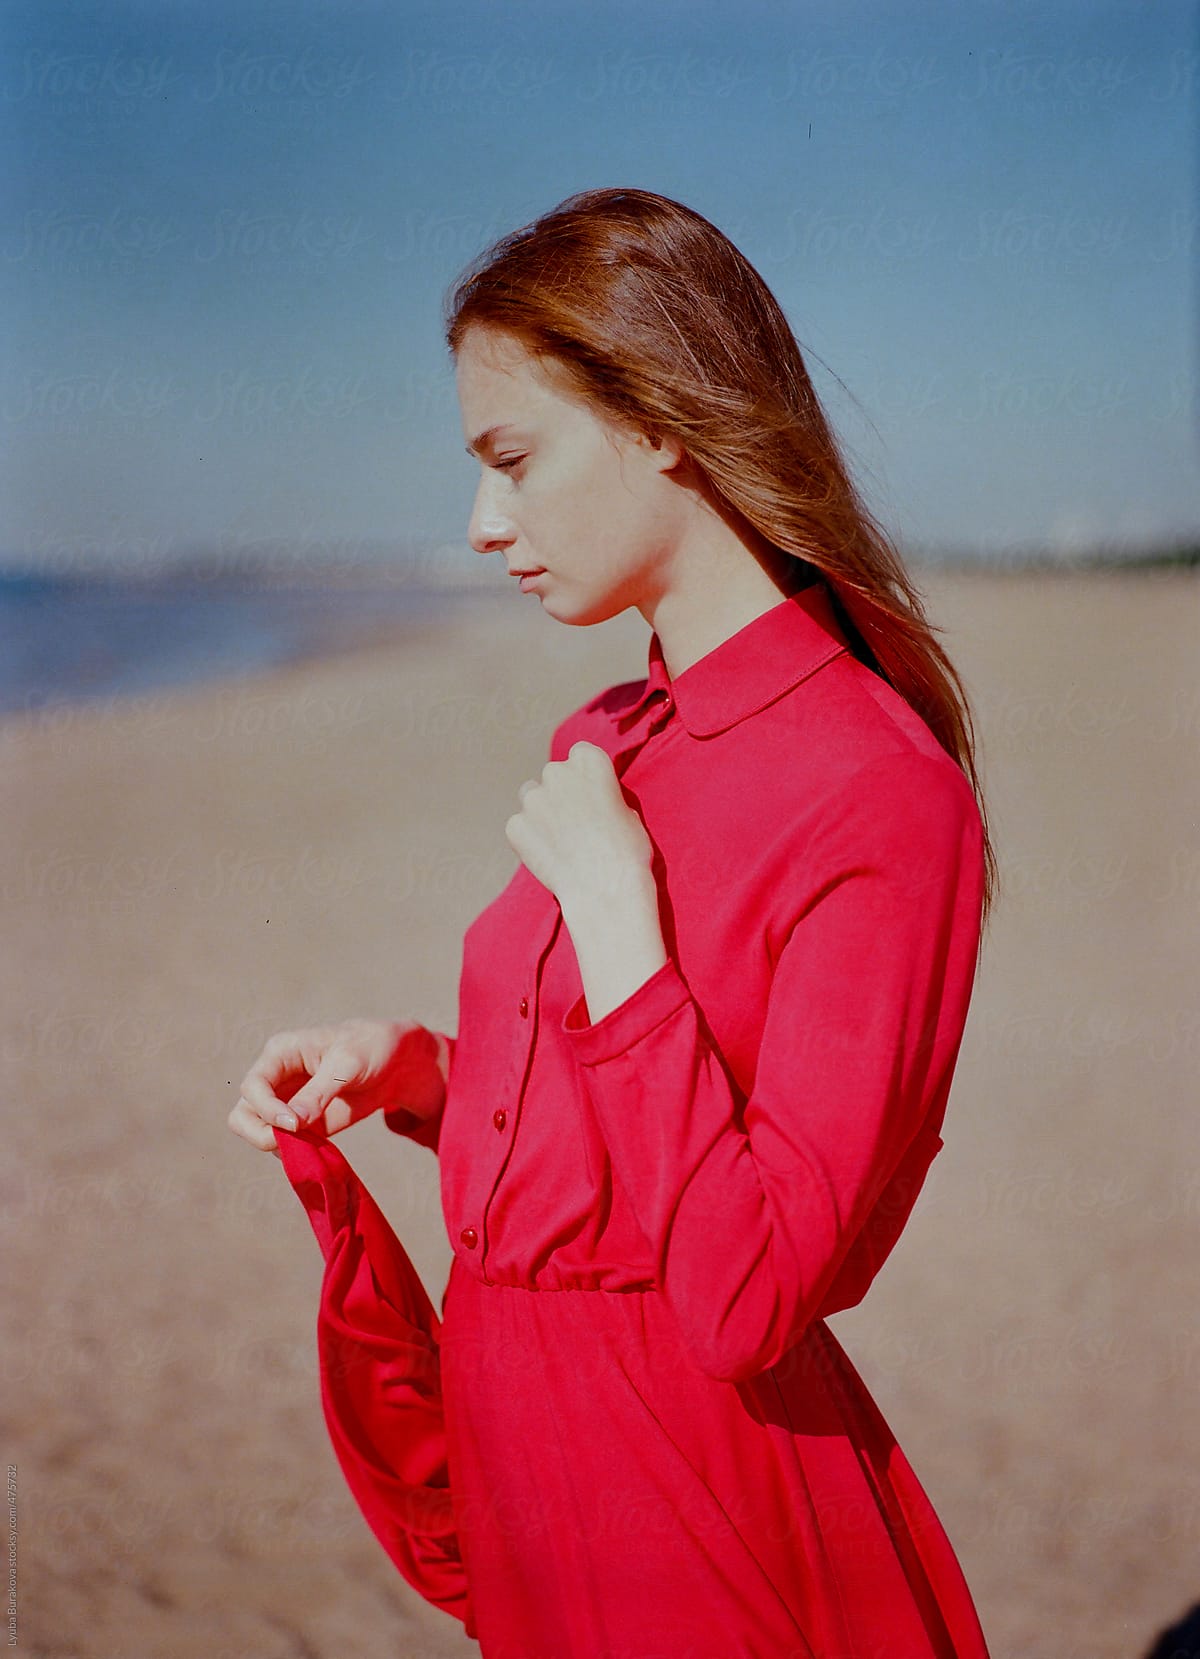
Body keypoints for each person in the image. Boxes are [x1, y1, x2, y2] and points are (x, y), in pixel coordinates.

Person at [229, 186, 999, 1658]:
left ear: (662, 417)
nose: (480, 525)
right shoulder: (611, 730)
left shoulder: (882, 793)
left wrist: (619, 930)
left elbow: (746, 1291)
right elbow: (610, 1155)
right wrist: (418, 1074)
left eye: (513, 461)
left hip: (691, 1490)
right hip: (530, 1452)